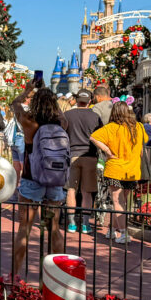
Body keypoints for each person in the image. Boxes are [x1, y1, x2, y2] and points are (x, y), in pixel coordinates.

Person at [11, 83, 66, 281]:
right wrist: (53, 101)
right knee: (54, 228)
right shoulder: (61, 123)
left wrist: (28, 90)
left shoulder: (29, 122)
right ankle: (56, 277)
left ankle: (15, 276)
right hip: (55, 180)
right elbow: (61, 115)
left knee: (24, 230)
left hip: (31, 179)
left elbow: (15, 104)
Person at [90, 101, 148, 245]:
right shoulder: (138, 126)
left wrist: (107, 151)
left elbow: (93, 137)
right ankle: (112, 229)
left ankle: (123, 233)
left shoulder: (111, 127)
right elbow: (144, 142)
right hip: (132, 169)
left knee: (117, 201)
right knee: (122, 202)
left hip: (115, 169)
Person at [62, 89, 100, 234]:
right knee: (87, 192)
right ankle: (85, 224)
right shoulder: (95, 116)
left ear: (77, 100)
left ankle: (72, 224)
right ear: (90, 101)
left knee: (71, 190)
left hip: (72, 155)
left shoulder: (67, 115)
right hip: (90, 155)